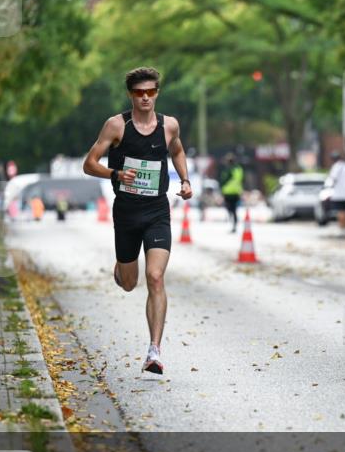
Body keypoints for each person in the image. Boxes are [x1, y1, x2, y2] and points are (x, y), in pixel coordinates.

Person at [82, 67, 192, 374]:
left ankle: (154, 351)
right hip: (127, 212)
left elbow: (178, 151)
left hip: (157, 210)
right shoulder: (116, 125)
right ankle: (122, 270)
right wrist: (115, 174)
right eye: (139, 93)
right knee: (130, 284)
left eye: (151, 92)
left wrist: (184, 180)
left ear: (157, 93)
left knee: (155, 277)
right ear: (131, 95)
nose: (145, 98)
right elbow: (89, 164)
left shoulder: (169, 125)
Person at [219, 153, 244, 233]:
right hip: (236, 192)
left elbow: (224, 180)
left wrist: (221, 188)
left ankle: (233, 221)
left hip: (228, 192)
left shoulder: (228, 170)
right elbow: (242, 179)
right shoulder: (239, 169)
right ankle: (235, 223)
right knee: (234, 210)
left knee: (229, 208)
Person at [328, 151, 345, 228]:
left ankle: (342, 226)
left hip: (338, 193)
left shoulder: (335, 167)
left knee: (340, 211)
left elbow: (333, 178)